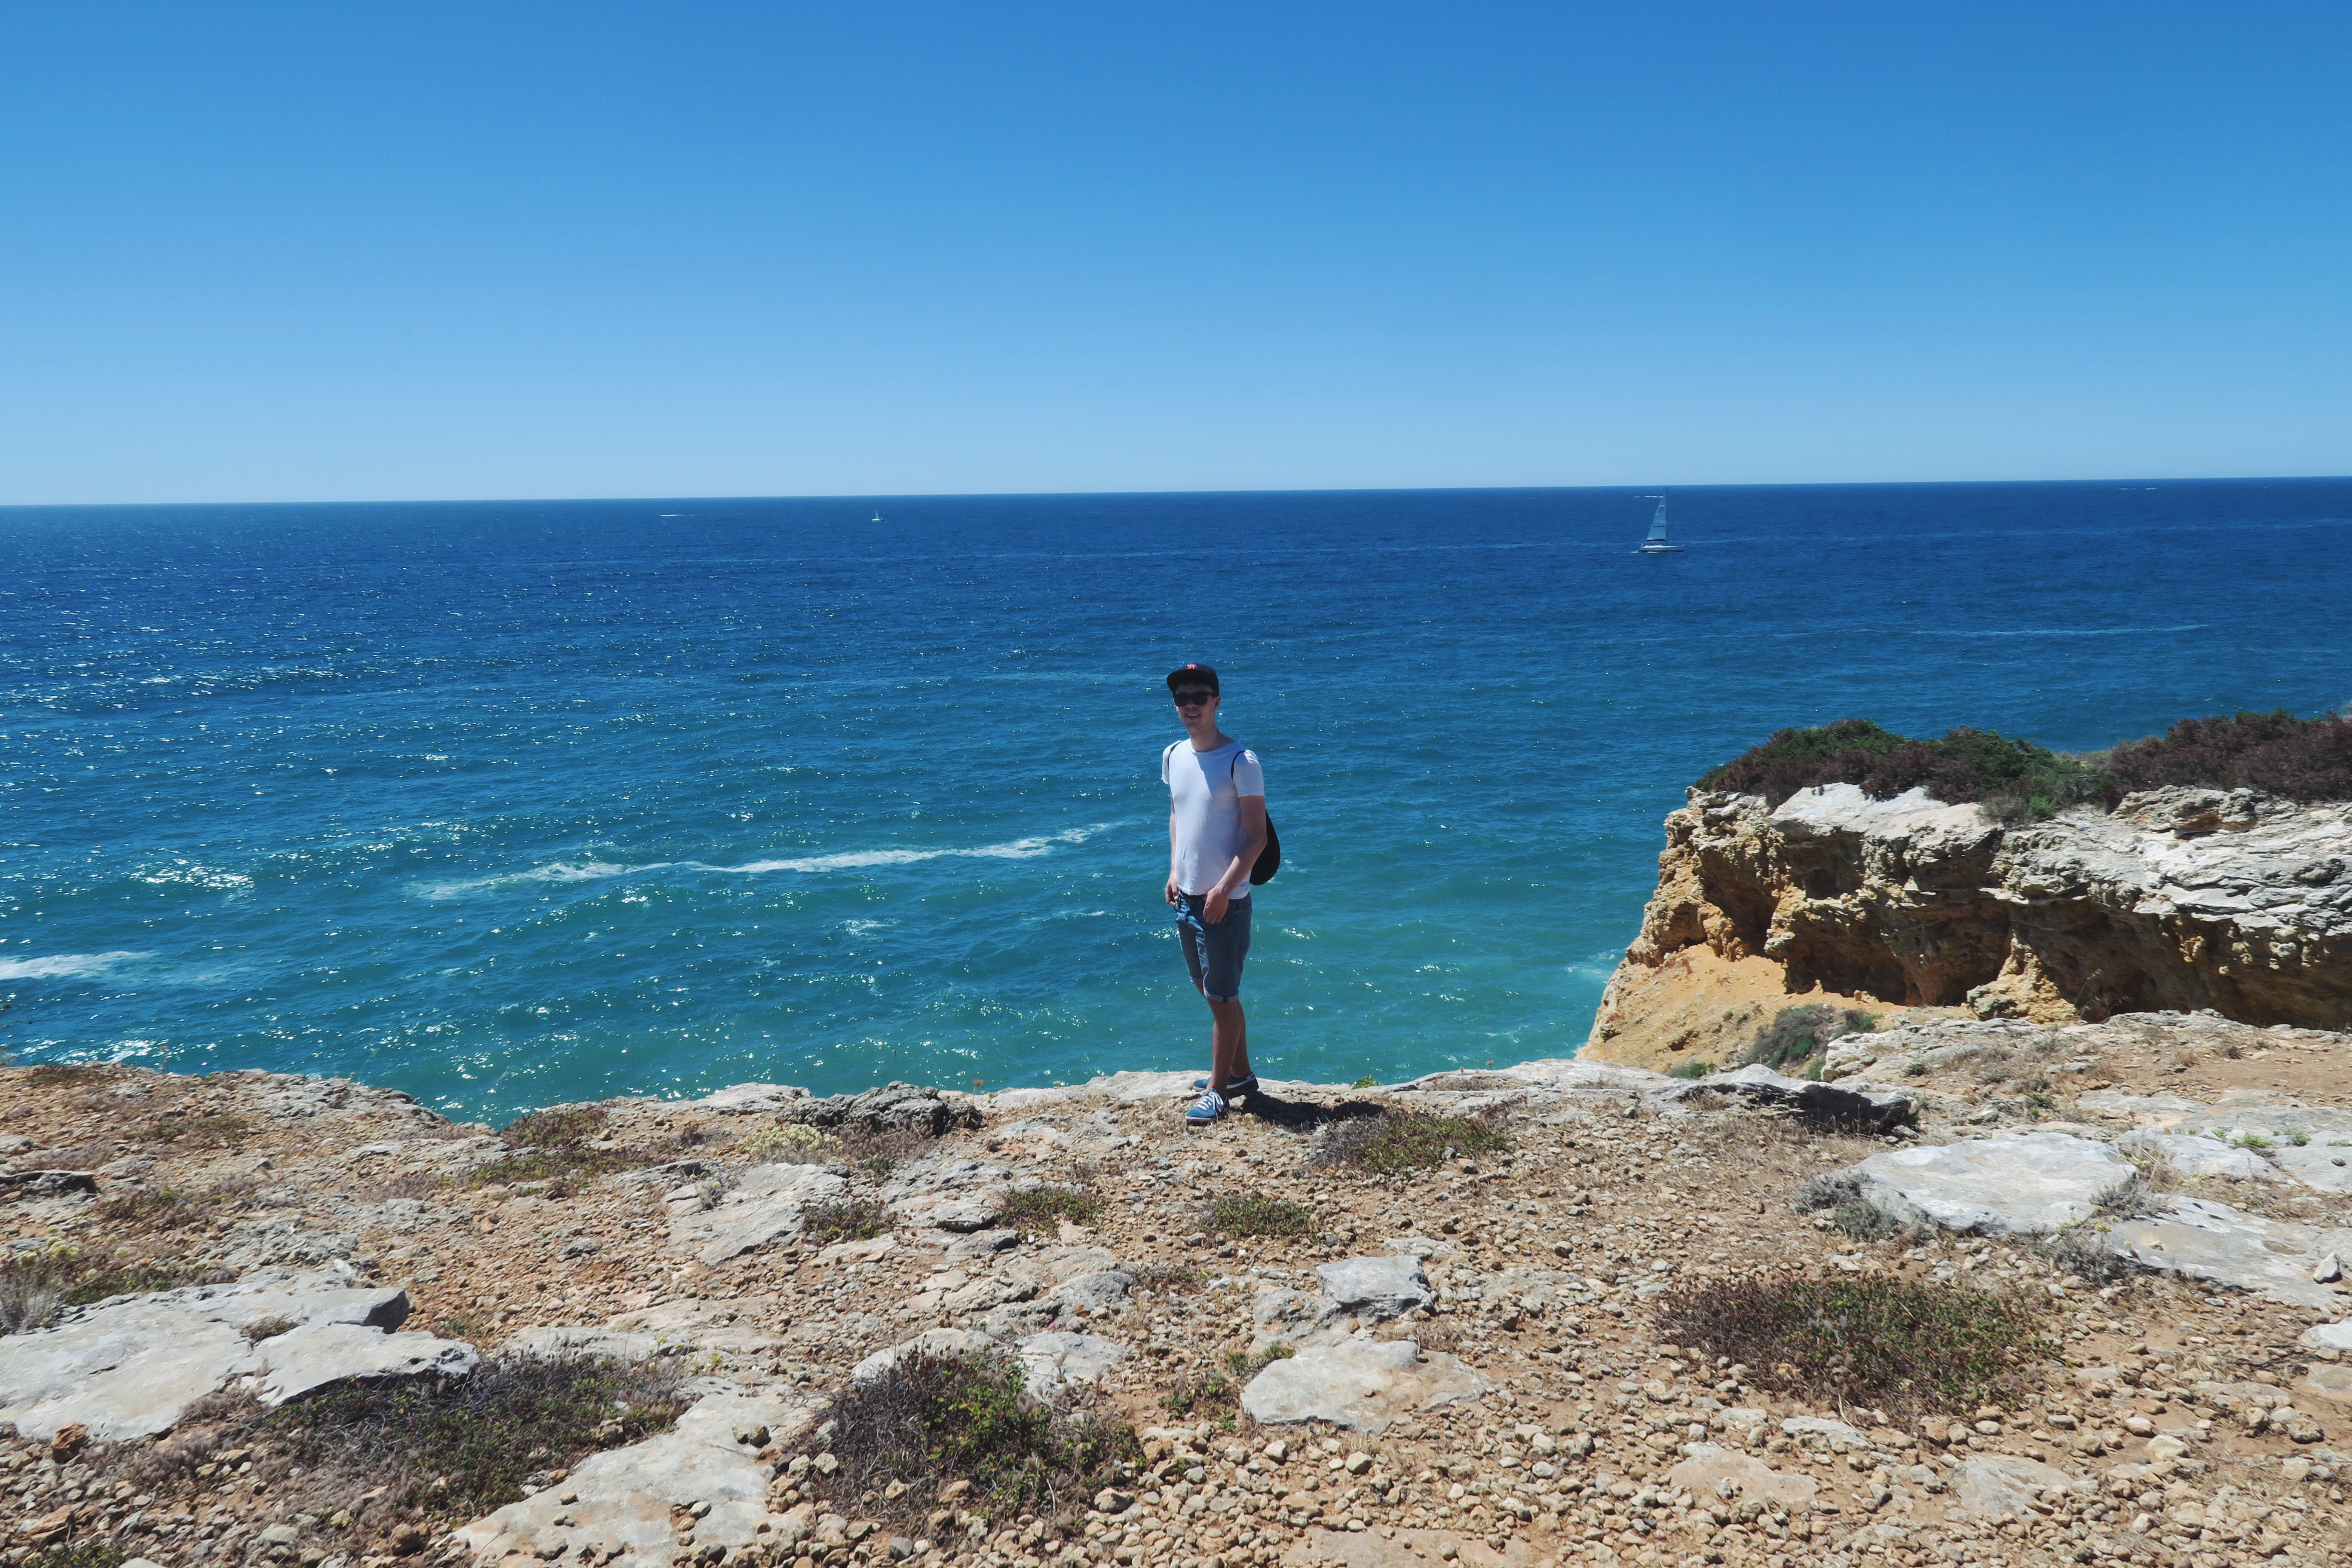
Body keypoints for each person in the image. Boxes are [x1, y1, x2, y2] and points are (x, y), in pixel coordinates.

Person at [1160, 662, 1268, 1124]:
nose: (1191, 705)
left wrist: (1224, 889)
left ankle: (1219, 1092)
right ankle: (1240, 1075)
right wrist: (1173, 870)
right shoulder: (1173, 755)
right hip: (1186, 896)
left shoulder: (1241, 761)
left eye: (1200, 697)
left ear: (1217, 702)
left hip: (1224, 901)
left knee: (1223, 997)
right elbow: (1178, 815)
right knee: (1210, 990)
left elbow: (1257, 836)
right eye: (1182, 698)